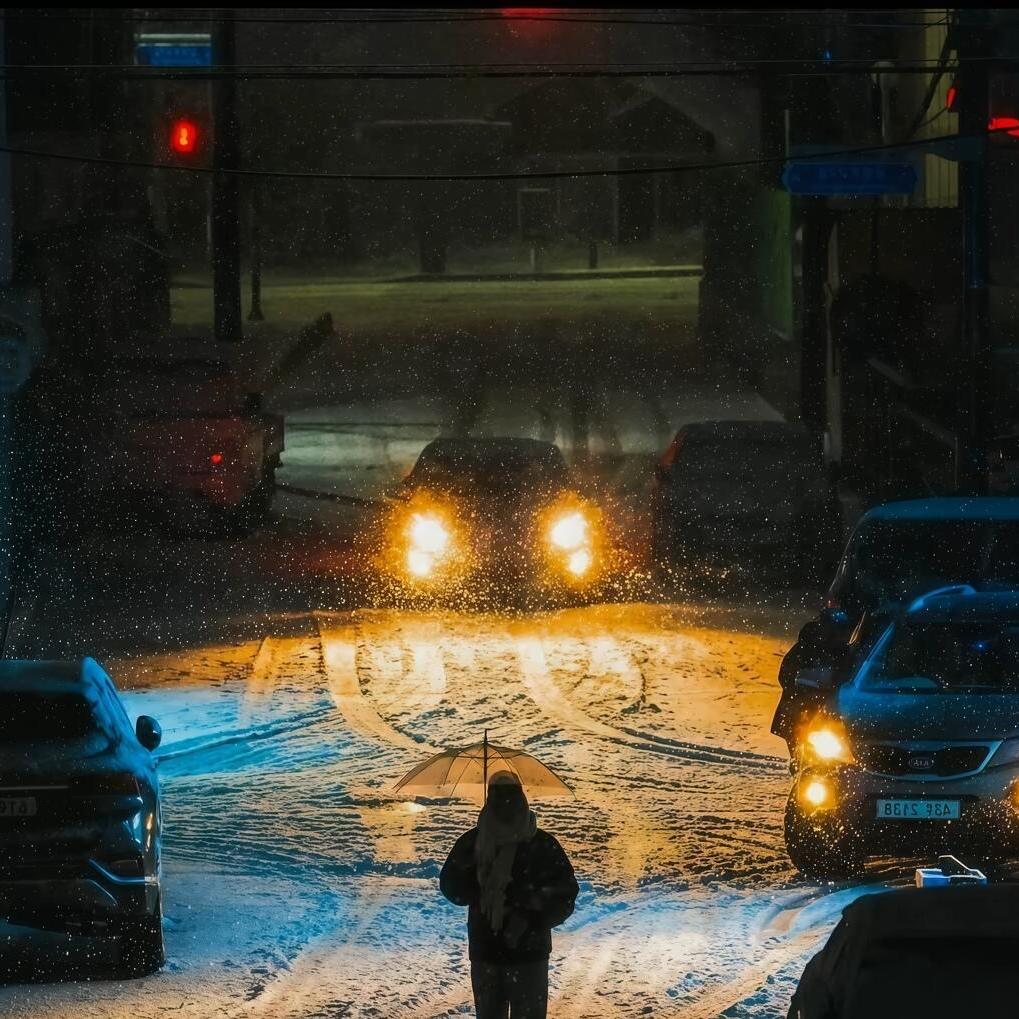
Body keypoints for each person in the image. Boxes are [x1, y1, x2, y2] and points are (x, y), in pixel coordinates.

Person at [440, 772, 579, 1018]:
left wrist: (527, 915)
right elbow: (452, 886)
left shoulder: (474, 843)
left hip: (514, 954)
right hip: (501, 954)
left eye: (510, 798)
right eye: (500, 798)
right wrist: (482, 888)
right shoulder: (538, 844)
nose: (506, 805)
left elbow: (564, 896)